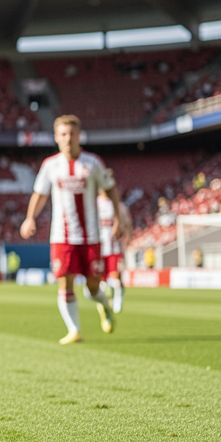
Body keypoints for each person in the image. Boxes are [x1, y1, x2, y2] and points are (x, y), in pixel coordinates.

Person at [21, 115, 122, 344]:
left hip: (91, 237)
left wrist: (117, 218)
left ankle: (104, 305)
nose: (68, 139)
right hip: (61, 237)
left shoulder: (93, 163)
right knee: (64, 282)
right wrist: (29, 218)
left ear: (79, 136)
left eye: (72, 134)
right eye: (63, 134)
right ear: (56, 137)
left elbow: (110, 189)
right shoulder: (50, 165)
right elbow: (40, 194)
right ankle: (75, 330)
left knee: (92, 286)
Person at [97, 178, 132, 313]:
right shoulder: (95, 205)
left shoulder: (119, 206)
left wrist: (125, 234)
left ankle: (119, 296)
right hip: (99, 248)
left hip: (115, 247)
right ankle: (108, 300)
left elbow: (127, 225)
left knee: (115, 276)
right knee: (102, 279)